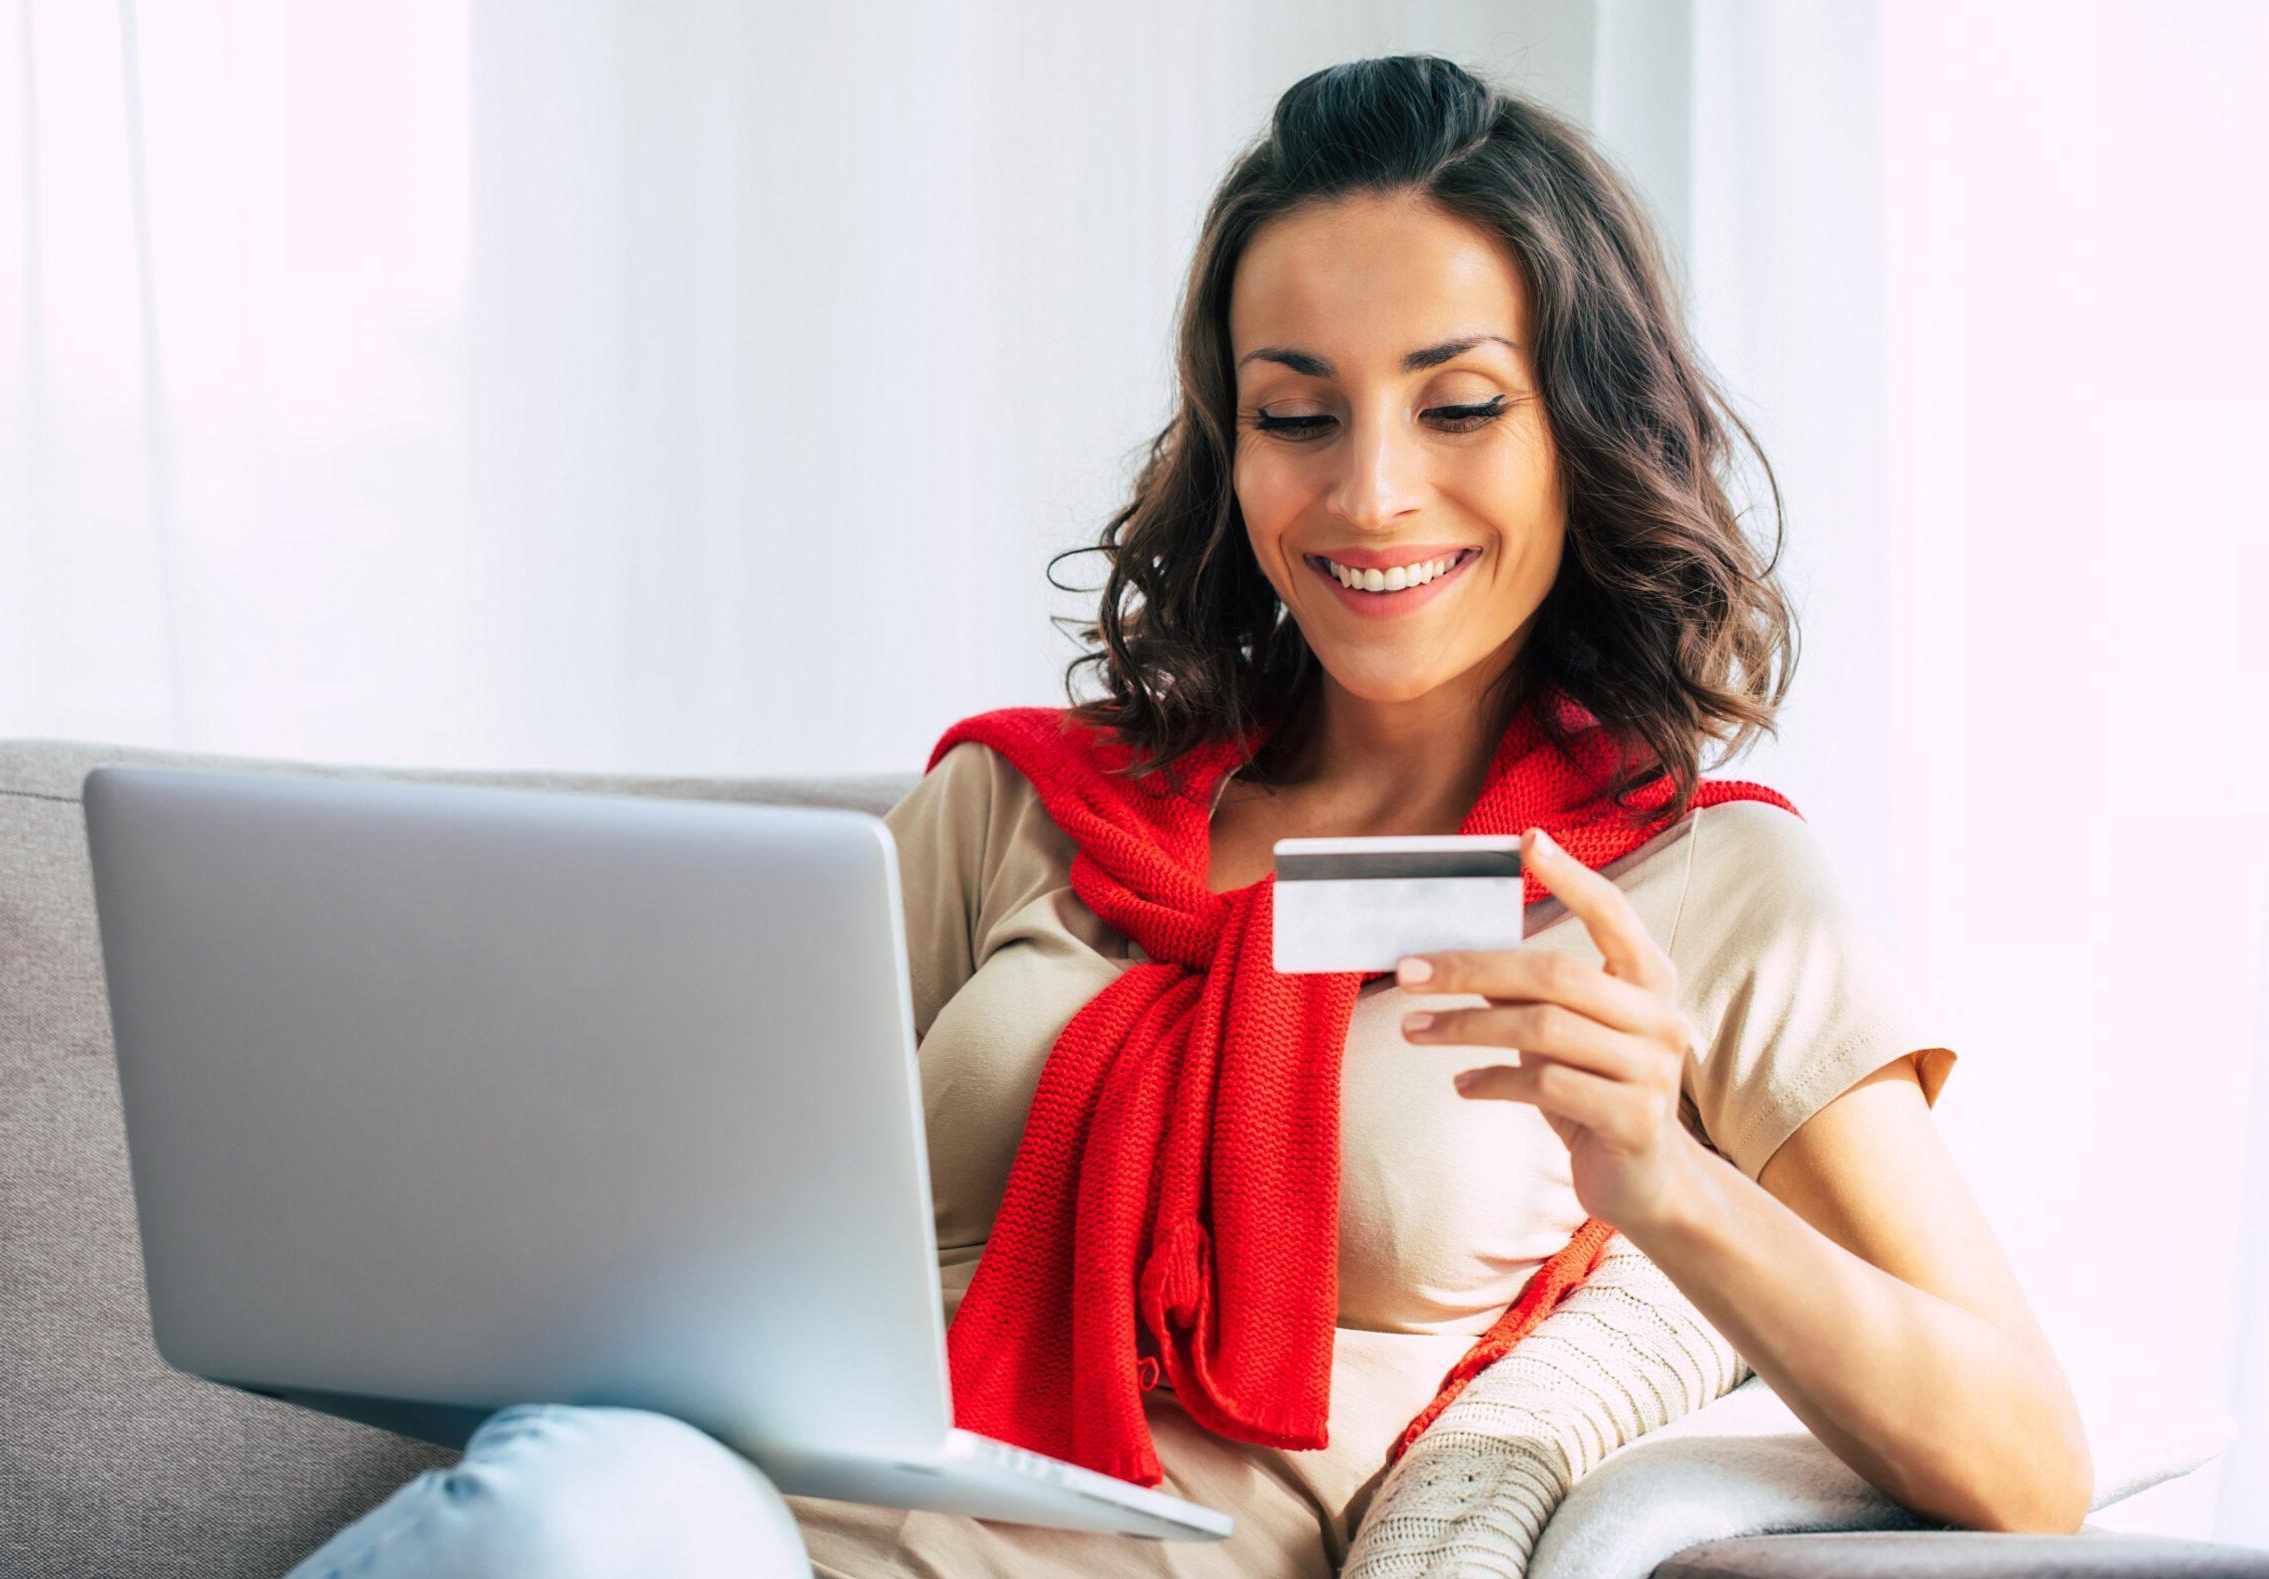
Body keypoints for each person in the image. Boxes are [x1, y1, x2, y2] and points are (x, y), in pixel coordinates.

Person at [285, 52, 2092, 1579]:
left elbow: (2023, 1461)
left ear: (1584, 431)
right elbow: (657, 1228)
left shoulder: (1709, 886)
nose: (1372, 493)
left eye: (1460, 405)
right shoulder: (1016, 808)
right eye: (1294, 414)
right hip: (708, 1529)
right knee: (577, 1506)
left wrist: (1667, 1183)